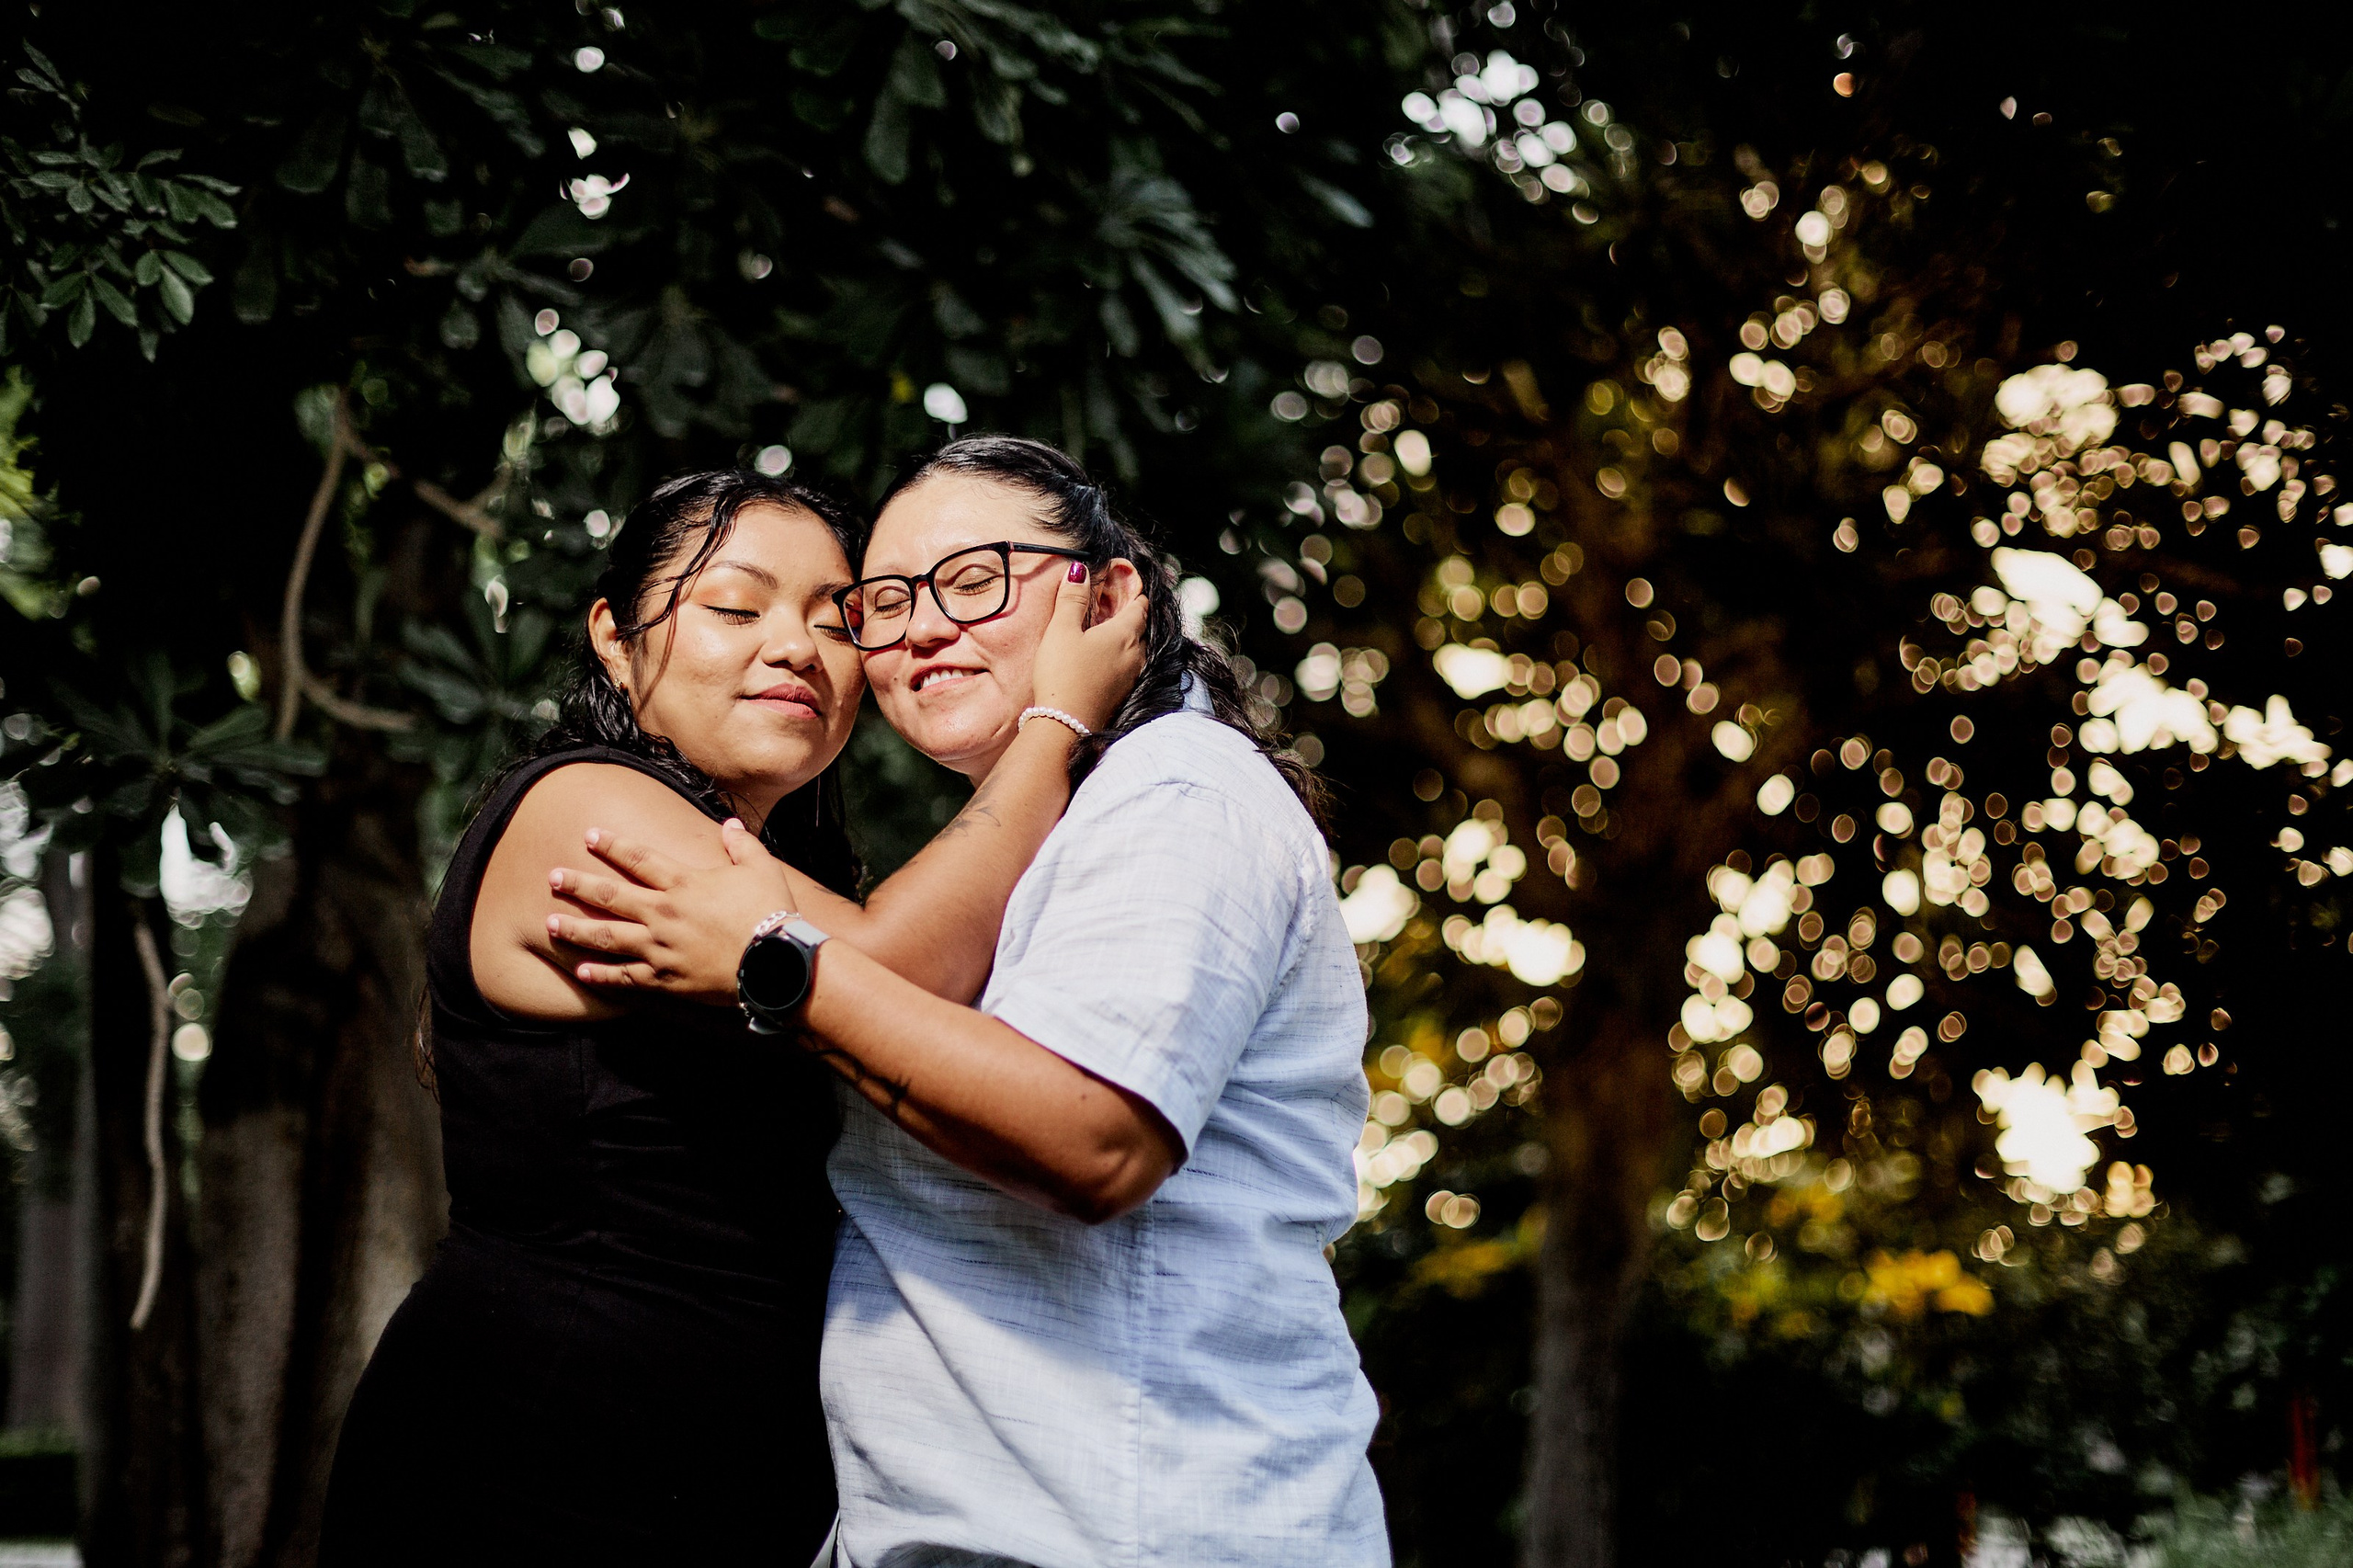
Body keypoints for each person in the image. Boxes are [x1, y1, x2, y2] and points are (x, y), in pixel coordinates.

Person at [549, 436, 1389, 1567]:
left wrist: (773, 962)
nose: (923, 626)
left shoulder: (1176, 792)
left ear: (1109, 593)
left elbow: (1092, 1138)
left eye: (976, 576)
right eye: (884, 603)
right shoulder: (1039, 844)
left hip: (1149, 1528)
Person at [317, 468, 1143, 1566]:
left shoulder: (763, 864)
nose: (796, 647)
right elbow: (884, 974)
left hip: (719, 1492)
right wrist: (1054, 722)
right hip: (535, 1470)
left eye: (835, 617)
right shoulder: (582, 805)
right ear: (614, 636)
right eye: (735, 606)